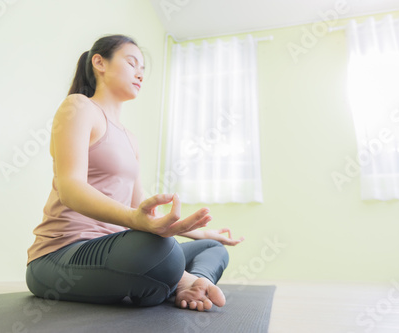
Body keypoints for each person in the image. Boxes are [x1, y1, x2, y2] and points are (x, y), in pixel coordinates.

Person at [25, 34, 244, 312]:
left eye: (143, 69)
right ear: (99, 63)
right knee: (161, 252)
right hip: (60, 256)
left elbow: (141, 212)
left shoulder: (130, 138)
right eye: (132, 63)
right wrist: (138, 223)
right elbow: (70, 188)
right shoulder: (79, 107)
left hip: (115, 248)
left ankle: (193, 283)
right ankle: (182, 280)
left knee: (213, 249)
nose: (140, 73)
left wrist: (199, 233)